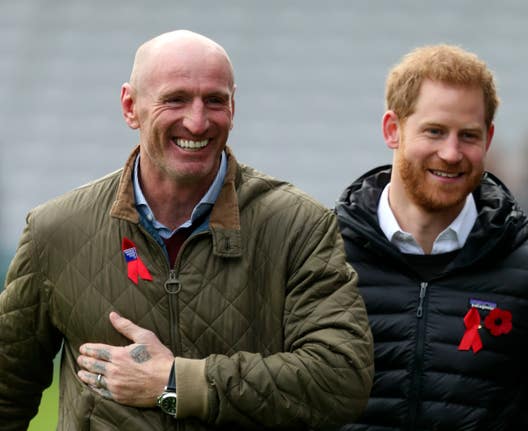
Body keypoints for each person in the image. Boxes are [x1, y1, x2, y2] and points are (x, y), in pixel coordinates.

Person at [0, 30, 373, 430]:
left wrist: (177, 382)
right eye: (175, 99)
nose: (197, 122)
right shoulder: (55, 231)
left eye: (214, 101)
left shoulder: (299, 225)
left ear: (233, 106)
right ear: (130, 107)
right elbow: (7, 390)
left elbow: (341, 378)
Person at [334, 45, 528, 430]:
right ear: (393, 129)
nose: (452, 152)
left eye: (468, 136)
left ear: (488, 139)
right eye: (435, 131)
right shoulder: (322, 256)